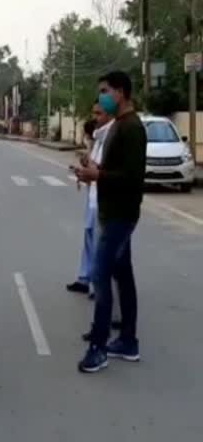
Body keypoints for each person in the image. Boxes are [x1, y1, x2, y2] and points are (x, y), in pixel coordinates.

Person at [73, 71, 146, 373]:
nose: (100, 97)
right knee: (122, 276)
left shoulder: (131, 129)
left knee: (101, 279)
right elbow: (116, 170)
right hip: (114, 211)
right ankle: (128, 341)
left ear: (119, 92)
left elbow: (131, 179)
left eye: (104, 91)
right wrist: (93, 169)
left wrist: (98, 175)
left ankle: (98, 348)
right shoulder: (120, 126)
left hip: (120, 215)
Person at [67, 103, 114, 295]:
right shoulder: (98, 139)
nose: (95, 117)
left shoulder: (112, 138)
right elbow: (93, 165)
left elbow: (105, 170)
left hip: (103, 199)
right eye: (93, 113)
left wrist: (93, 171)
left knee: (98, 243)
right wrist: (83, 170)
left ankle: (97, 285)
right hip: (92, 196)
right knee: (88, 237)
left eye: (98, 113)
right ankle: (84, 278)